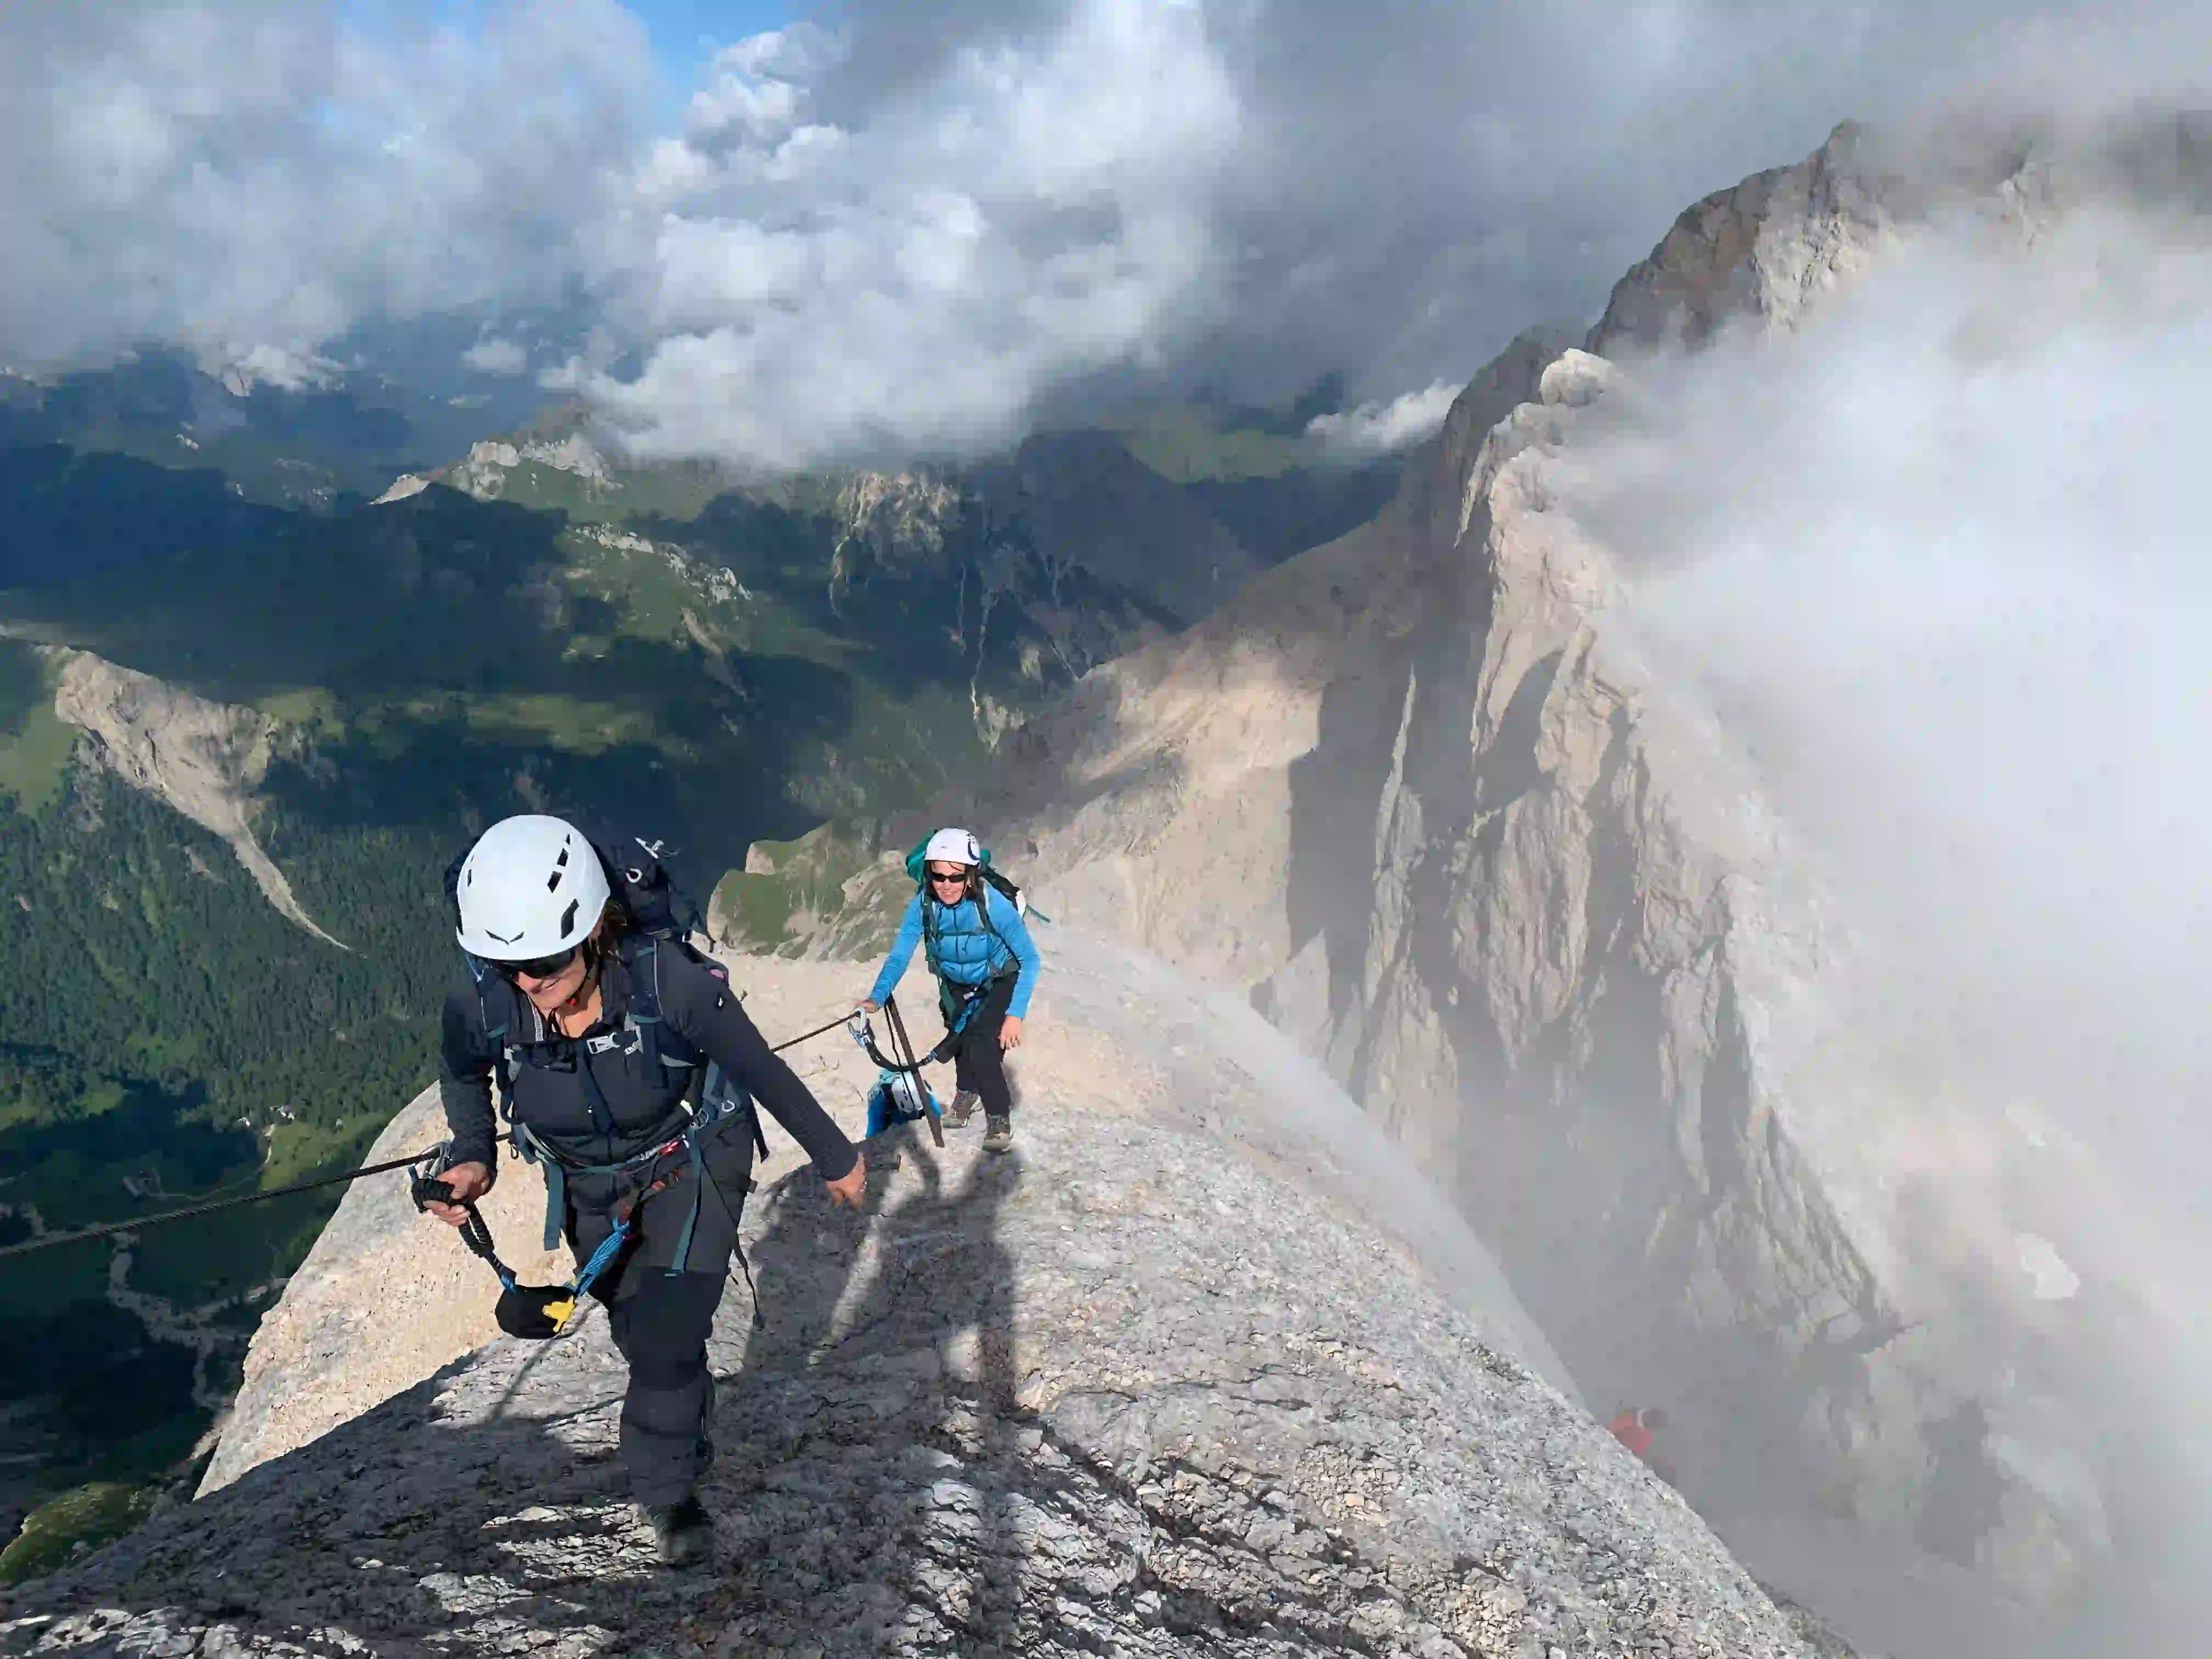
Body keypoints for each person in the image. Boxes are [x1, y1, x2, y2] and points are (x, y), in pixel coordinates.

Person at [423, 814, 865, 1567]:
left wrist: (835, 1157)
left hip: (693, 1159)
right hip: (589, 1187)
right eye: (511, 968)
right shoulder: (486, 1004)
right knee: (640, 1330)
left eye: (548, 962)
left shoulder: (669, 981)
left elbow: (756, 1065)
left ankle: (672, 1502)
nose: (530, 984)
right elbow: (463, 1073)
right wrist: (472, 1159)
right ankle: (682, 1403)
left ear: (595, 928)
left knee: (664, 1341)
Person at [860, 826, 1041, 1154]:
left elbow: (1030, 958)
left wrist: (1015, 1015)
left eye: (955, 878)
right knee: (959, 1044)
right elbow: (900, 955)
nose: (945, 885)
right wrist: (877, 997)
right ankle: (966, 1093)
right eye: (938, 876)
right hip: (956, 985)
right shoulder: (923, 905)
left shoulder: (991, 902)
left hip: (999, 979)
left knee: (984, 1050)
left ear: (971, 876)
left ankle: (998, 1117)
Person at [1607, 1405, 1677, 1486]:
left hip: (1624, 1464)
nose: (1653, 1426)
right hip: (1611, 1452)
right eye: (1654, 1422)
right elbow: (1609, 1432)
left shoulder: (1648, 1437)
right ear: (1649, 1414)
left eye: (1656, 1426)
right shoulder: (1629, 1417)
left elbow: (1640, 1454)